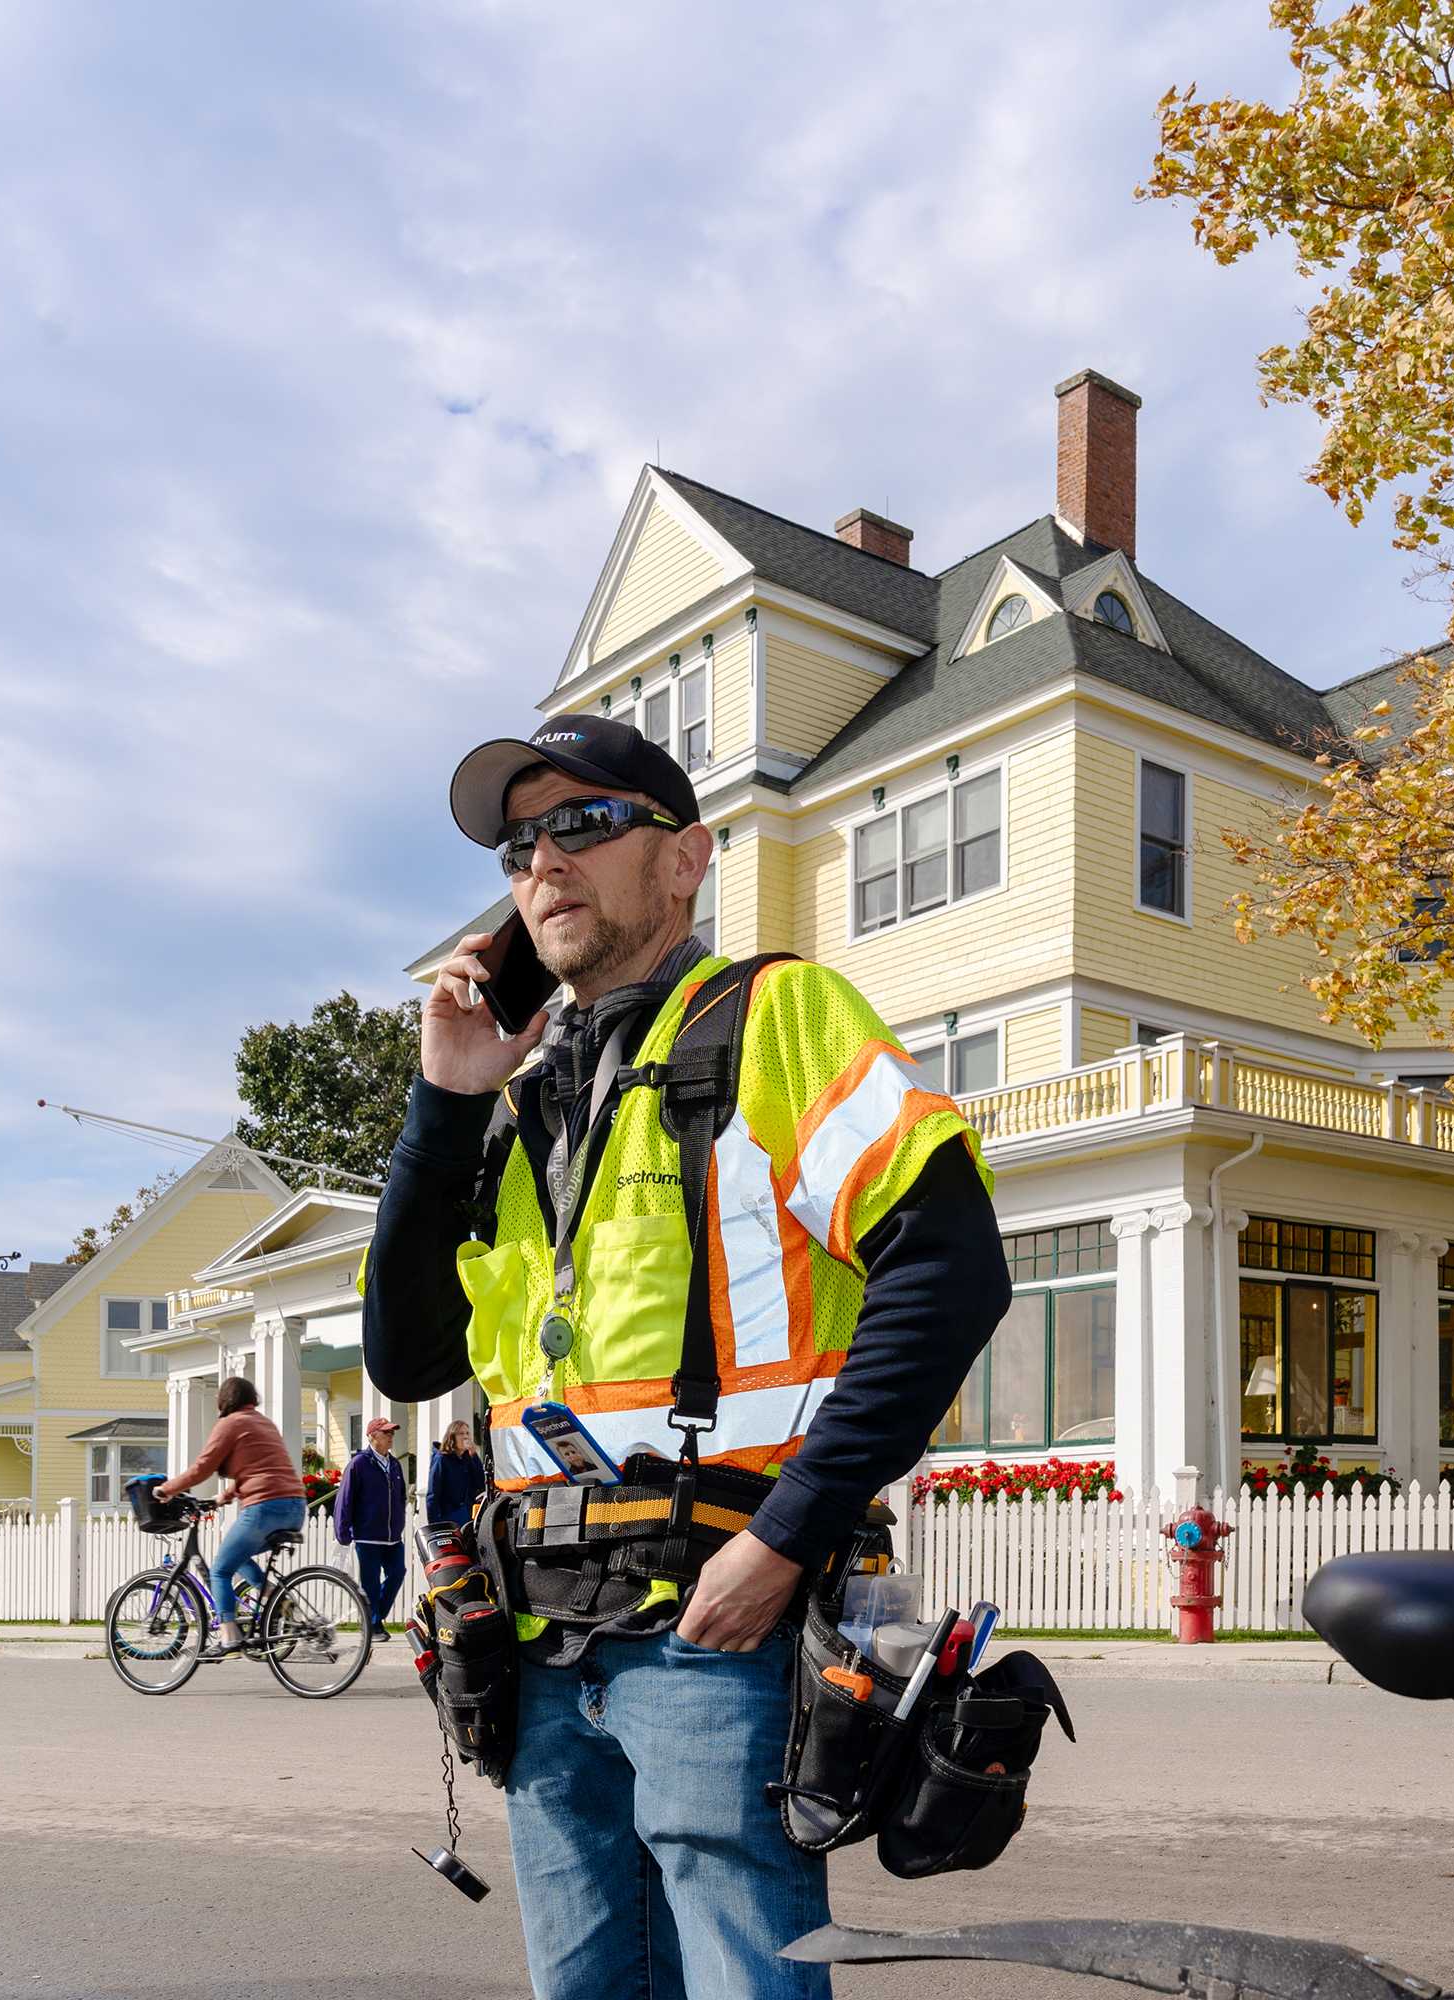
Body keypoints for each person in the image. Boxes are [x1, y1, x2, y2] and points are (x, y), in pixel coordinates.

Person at [363, 713, 1009, 1999]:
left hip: (711, 1624)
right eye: (517, 843)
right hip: (536, 1639)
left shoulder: (773, 1016)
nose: (542, 861)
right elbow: (409, 1347)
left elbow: (949, 1270)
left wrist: (784, 1539)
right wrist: (445, 1100)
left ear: (685, 858)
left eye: (585, 823)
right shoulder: (528, 1099)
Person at [150, 1375, 306, 1650]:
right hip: (294, 1505)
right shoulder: (264, 1423)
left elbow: (202, 1467)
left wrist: (167, 1489)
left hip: (264, 1507)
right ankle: (275, 1597)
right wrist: (225, 1496)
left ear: (225, 1400)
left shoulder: (230, 1423)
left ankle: (229, 1634)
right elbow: (263, 1468)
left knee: (221, 1569)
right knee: (238, 1555)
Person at [331, 1415, 410, 1625]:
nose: (391, 1437)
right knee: (371, 1585)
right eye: (386, 1433)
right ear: (372, 1435)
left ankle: (374, 1619)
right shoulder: (358, 1464)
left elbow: (401, 1497)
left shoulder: (394, 1465)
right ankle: (374, 1626)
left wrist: (399, 1524)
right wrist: (342, 1532)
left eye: (392, 1433)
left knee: (397, 1574)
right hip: (368, 1537)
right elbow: (344, 1499)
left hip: (393, 1537)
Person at [424, 1418, 486, 1530]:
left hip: (467, 1516)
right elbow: (433, 1493)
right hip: (448, 1517)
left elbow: (481, 1483)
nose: (465, 1437)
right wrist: (435, 1524)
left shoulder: (467, 1458)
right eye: (461, 1433)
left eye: (467, 1433)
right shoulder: (441, 1459)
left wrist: (474, 1456)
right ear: (452, 1437)